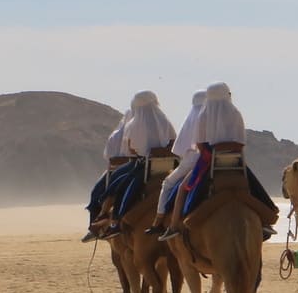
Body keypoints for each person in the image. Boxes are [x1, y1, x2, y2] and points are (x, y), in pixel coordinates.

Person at [158, 82, 278, 241]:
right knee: (254, 187)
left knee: (182, 189)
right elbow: (241, 142)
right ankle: (265, 220)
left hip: (209, 160)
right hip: (235, 161)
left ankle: (173, 226)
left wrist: (212, 153)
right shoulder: (236, 113)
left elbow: (200, 145)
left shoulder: (203, 115)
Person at [98, 91, 178, 238]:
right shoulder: (165, 121)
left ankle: (113, 219)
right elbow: (174, 143)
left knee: (120, 185)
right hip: (169, 164)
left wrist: (146, 151)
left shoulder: (133, 125)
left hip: (143, 165)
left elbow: (132, 150)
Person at [145, 90, 205, 236]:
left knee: (168, 184)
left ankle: (159, 220)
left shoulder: (192, 118)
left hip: (194, 161)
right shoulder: (165, 120)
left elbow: (180, 147)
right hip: (228, 160)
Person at [81, 103, 137, 242]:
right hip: (156, 166)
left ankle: (95, 226)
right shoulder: (157, 127)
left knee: (97, 194)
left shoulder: (117, 135)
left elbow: (109, 157)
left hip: (126, 167)